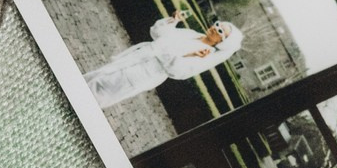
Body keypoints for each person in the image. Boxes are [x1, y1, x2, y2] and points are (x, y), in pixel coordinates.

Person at [83, 13, 245, 106]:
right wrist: (173, 20)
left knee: (104, 89)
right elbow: (157, 33)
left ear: (222, 42)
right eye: (217, 25)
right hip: (139, 56)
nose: (215, 29)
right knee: (98, 75)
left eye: (220, 31)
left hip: (147, 72)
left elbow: (179, 73)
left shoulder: (205, 54)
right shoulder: (192, 34)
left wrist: (189, 56)